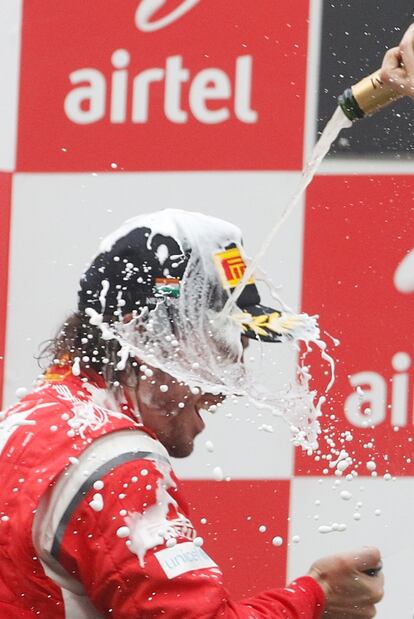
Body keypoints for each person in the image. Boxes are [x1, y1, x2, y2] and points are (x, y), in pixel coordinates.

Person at [0, 208, 384, 618]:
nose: (224, 390)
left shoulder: (23, 425)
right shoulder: (116, 466)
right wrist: (315, 599)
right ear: (143, 335)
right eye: (220, 350)